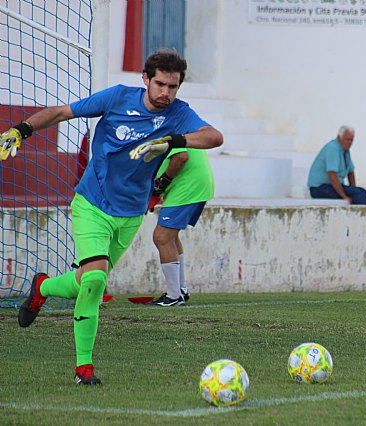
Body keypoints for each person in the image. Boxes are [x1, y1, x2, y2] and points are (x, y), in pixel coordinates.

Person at [0, 48, 223, 385]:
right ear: (146, 79)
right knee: (94, 281)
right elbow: (62, 112)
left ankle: (44, 286)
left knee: (84, 284)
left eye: (173, 86)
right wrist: (22, 129)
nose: (166, 93)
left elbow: (214, 137)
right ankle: (83, 369)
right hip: (92, 204)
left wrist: (172, 141)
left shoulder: (178, 114)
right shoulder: (118, 98)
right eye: (160, 84)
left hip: (131, 214)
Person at [145, 146, 215, 307]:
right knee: (171, 236)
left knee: (162, 237)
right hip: (194, 184)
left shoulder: (167, 125)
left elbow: (181, 157)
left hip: (187, 186)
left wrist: (162, 184)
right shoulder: (176, 124)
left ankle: (174, 296)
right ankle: (180, 290)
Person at [307, 125, 366, 205]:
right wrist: (344, 196)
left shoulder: (345, 151)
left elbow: (351, 171)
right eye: (347, 139)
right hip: (319, 188)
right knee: (359, 194)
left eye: (351, 140)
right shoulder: (333, 148)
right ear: (339, 137)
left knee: (361, 192)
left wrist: (352, 188)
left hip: (330, 187)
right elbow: (332, 175)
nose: (349, 143)